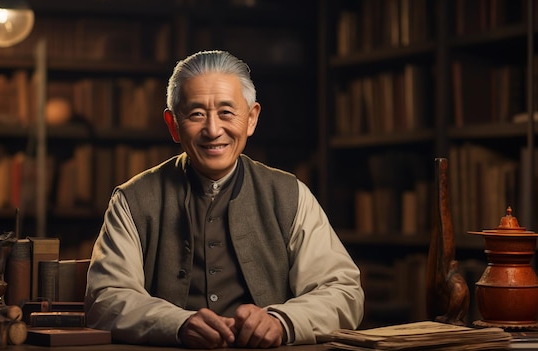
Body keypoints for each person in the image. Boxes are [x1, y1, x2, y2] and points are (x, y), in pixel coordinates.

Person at [84, 50, 364, 349]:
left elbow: (343, 292)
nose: (213, 130)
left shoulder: (290, 194)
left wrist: (282, 321)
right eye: (196, 114)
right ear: (173, 124)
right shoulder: (133, 199)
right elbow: (106, 298)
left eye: (227, 112)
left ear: (252, 119)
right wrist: (178, 324)